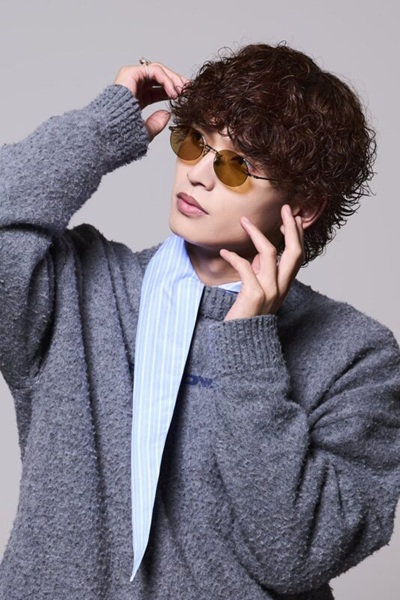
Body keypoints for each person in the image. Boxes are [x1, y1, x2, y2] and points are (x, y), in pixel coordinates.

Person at [0, 42, 399, 600]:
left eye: (238, 166)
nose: (199, 176)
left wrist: (247, 346)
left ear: (303, 208)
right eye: (195, 142)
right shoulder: (79, 288)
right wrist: (101, 127)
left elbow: (295, 556)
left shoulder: (358, 356)